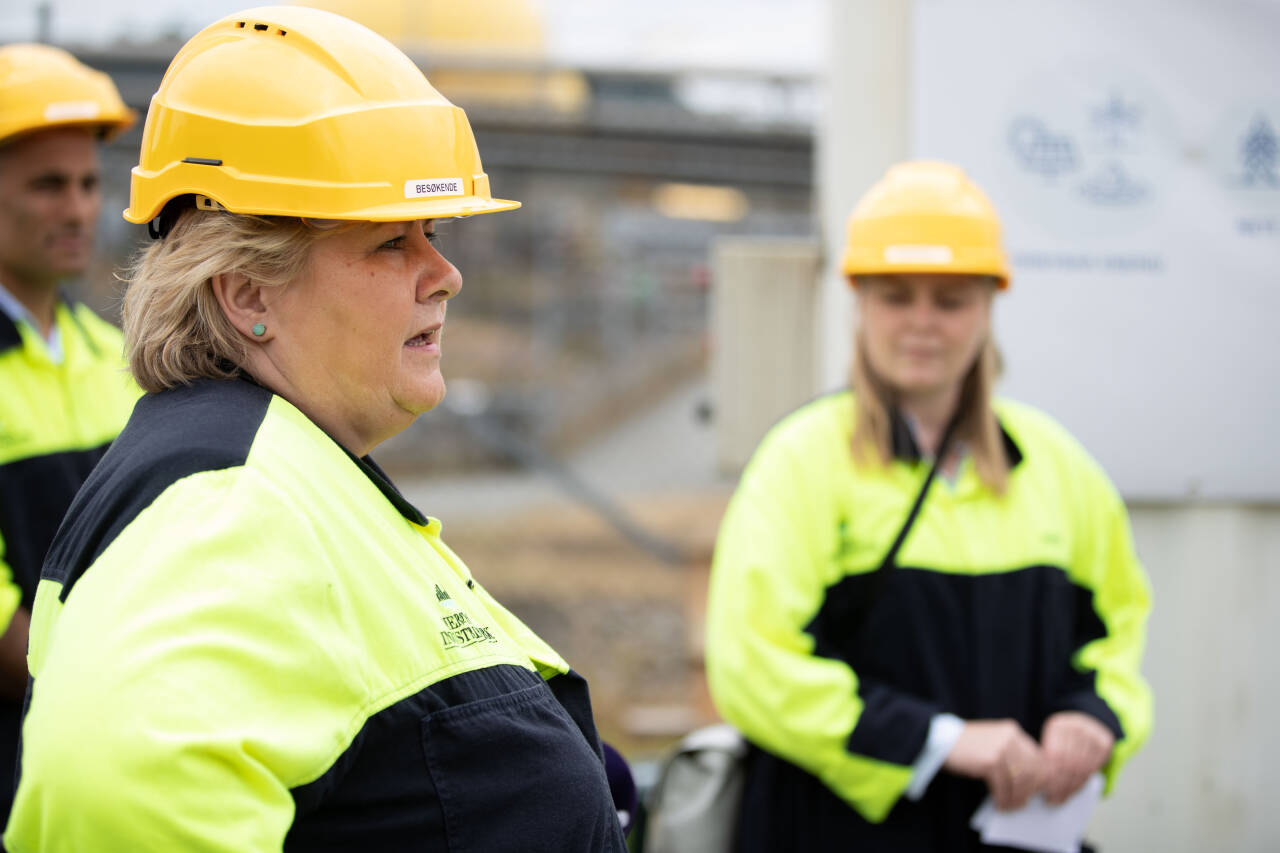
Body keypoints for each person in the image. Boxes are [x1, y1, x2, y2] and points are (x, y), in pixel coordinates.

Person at [4, 7, 627, 852]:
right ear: (249, 294)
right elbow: (105, 788)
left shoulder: (285, 465)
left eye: (433, 234)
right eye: (387, 242)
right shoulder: (227, 504)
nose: (443, 273)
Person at [704, 161, 1152, 851]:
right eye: (896, 296)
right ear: (859, 300)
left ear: (988, 306)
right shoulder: (802, 461)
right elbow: (753, 662)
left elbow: (1117, 632)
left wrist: (1094, 715)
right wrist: (941, 740)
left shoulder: (1058, 467)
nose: (923, 323)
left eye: (950, 300)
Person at [0, 43, 139, 825]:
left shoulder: (112, 356)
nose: (81, 208)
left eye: (89, 183)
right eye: (49, 184)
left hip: (101, 775)